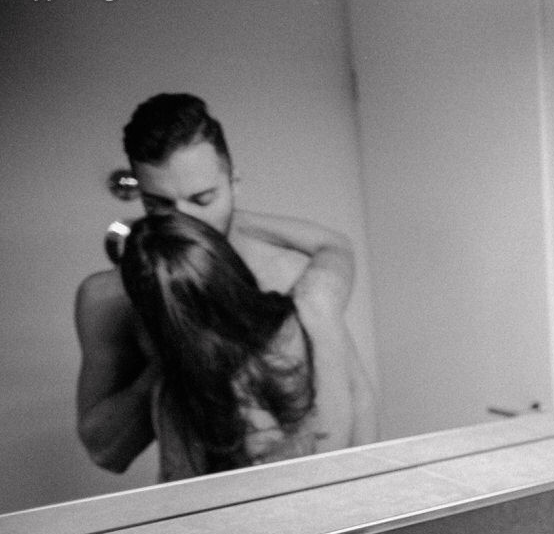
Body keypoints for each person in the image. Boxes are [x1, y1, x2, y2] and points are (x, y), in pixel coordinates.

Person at [74, 92, 375, 473]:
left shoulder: (290, 273)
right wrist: (174, 348)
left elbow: (359, 401)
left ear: (234, 183)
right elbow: (106, 453)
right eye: (159, 205)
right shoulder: (109, 297)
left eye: (202, 199)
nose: (185, 222)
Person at [116, 212, 356, 478]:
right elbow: (336, 246)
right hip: (354, 494)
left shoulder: (177, 401)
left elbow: (183, 498)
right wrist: (234, 216)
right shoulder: (315, 303)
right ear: (230, 266)